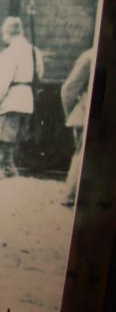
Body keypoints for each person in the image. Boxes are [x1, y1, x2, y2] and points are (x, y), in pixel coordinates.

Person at [0, 16, 44, 178]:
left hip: (11, 98)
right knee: (12, 134)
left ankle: (6, 168)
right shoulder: (34, 51)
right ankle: (1, 166)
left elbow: (2, 83)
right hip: (26, 98)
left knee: (5, 133)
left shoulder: (9, 53)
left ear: (7, 33)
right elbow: (39, 74)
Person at [60, 48, 95, 207]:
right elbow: (68, 90)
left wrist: (72, 113)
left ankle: (71, 196)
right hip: (86, 116)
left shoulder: (89, 55)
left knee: (82, 154)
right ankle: (71, 196)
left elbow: (68, 90)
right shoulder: (90, 56)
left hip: (84, 114)